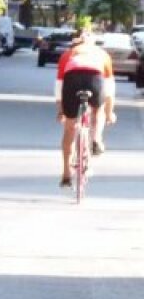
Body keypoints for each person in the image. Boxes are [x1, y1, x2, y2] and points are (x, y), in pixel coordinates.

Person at [55, 25, 116, 187]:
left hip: (72, 79)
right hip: (95, 78)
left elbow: (59, 87)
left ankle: (66, 174)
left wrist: (61, 110)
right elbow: (109, 89)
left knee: (69, 127)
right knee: (98, 110)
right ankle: (96, 138)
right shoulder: (102, 54)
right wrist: (109, 112)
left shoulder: (68, 55)